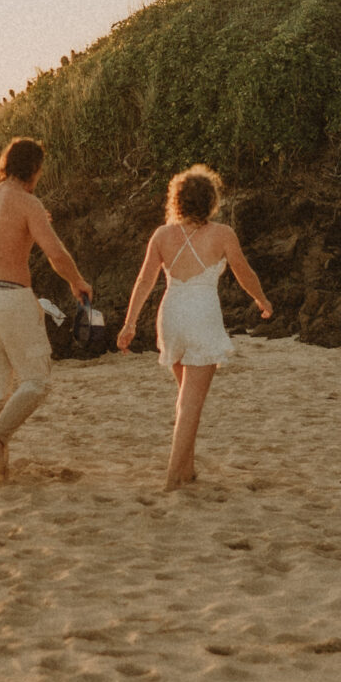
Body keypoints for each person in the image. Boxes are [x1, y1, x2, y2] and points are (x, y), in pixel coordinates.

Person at [116, 165, 273, 488]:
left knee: (185, 397)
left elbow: (144, 281)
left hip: (171, 313)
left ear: (177, 200)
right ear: (211, 201)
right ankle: (174, 475)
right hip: (201, 313)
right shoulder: (223, 234)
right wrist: (262, 300)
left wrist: (130, 322)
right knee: (191, 403)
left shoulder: (162, 235)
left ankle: (186, 471)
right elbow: (245, 273)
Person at [0, 136, 92, 485]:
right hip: (10, 296)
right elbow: (55, 253)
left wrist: (32, 218)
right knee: (37, 380)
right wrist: (77, 281)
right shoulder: (28, 202)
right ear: (34, 169)